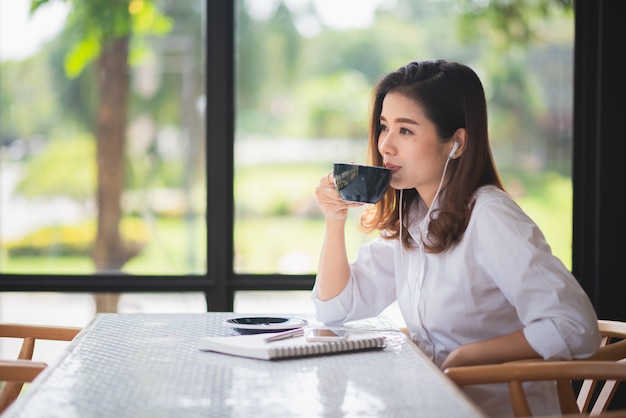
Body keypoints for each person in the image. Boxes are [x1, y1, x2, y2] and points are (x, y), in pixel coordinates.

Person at [311, 59, 600, 417]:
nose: (385, 145)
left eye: (406, 131)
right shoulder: (415, 216)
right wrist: (334, 220)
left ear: (457, 143)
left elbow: (574, 327)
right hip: (434, 405)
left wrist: (464, 358)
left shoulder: (489, 216)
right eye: (383, 127)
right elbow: (336, 307)